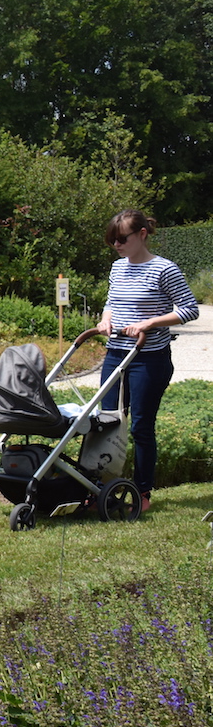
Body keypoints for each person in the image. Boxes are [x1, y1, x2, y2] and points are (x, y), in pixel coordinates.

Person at [95, 210, 199, 513]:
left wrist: (150, 322)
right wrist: (105, 322)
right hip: (116, 353)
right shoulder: (117, 268)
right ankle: (100, 489)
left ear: (141, 234)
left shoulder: (164, 269)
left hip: (149, 359)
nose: (116, 244)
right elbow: (111, 303)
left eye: (122, 238)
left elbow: (190, 309)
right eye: (112, 240)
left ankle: (141, 492)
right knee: (105, 424)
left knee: (140, 426)